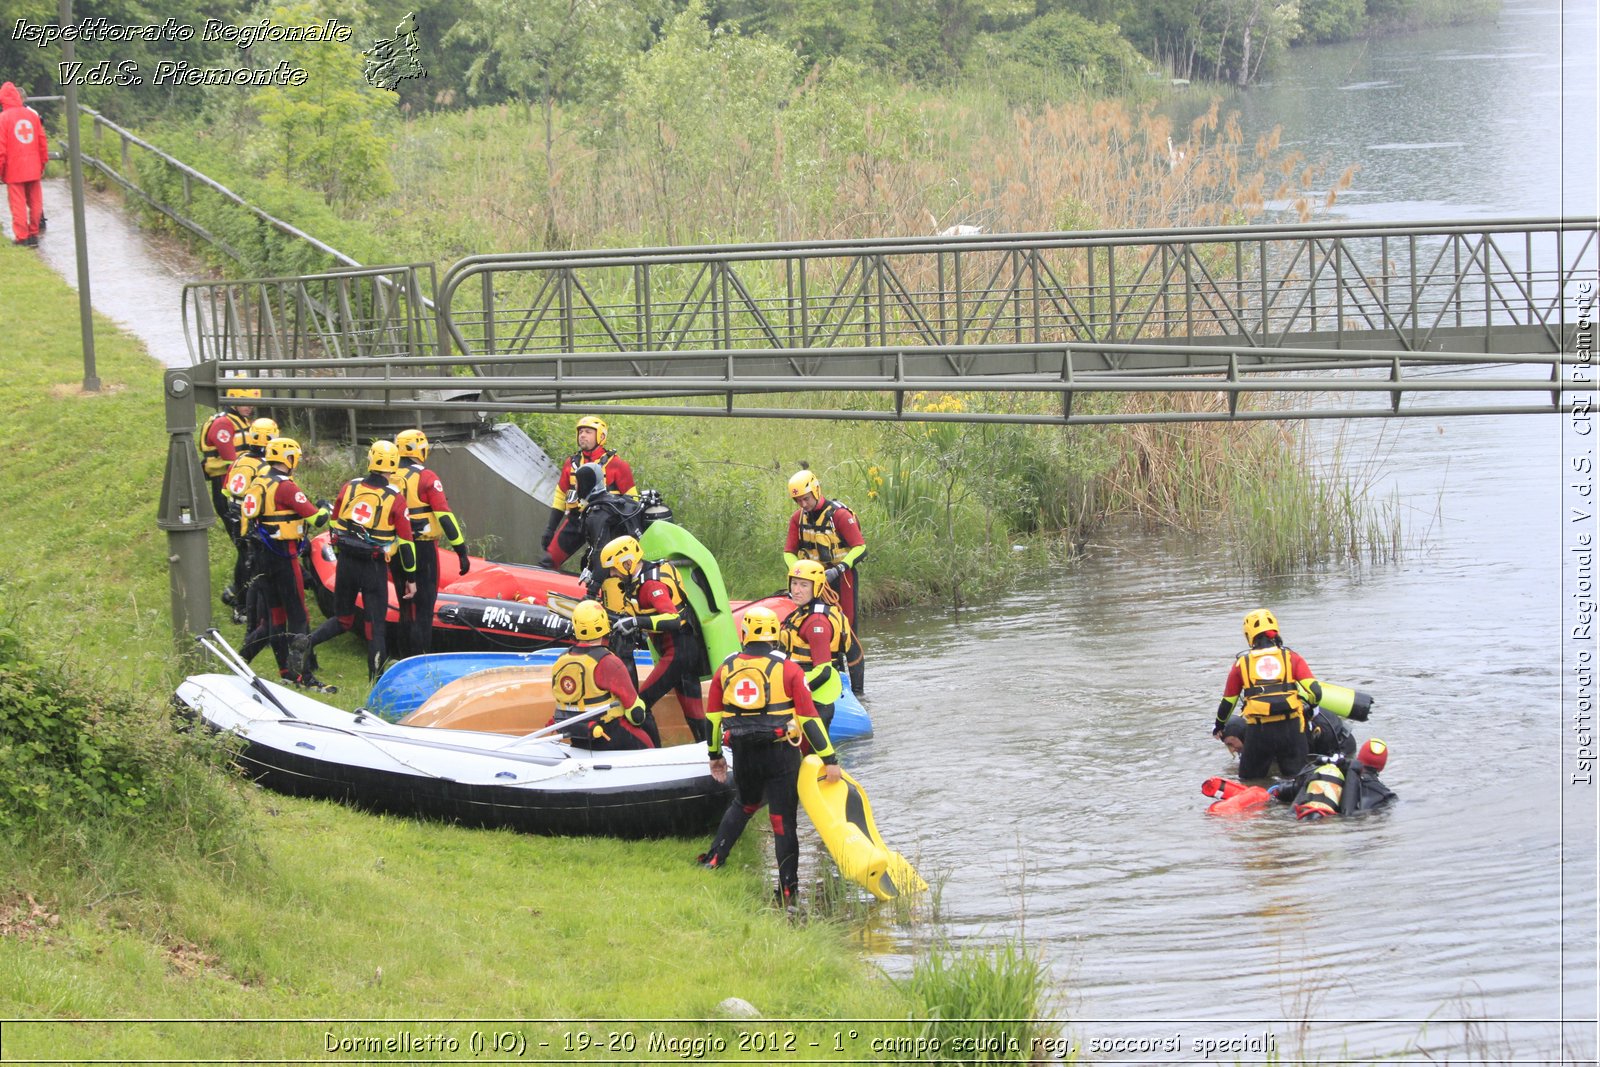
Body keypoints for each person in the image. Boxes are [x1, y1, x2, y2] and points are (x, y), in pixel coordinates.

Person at [697, 606, 842, 907]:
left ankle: (714, 859)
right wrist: (830, 760)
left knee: (744, 803)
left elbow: (712, 718)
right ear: (775, 634)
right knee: (782, 822)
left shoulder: (725, 668)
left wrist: (715, 756)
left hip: (744, 752)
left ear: (745, 633)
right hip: (781, 755)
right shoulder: (789, 669)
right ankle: (788, 889)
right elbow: (810, 719)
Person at [290, 441, 416, 682]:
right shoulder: (395, 498)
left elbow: (335, 523)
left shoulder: (350, 487)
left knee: (343, 619)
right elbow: (407, 542)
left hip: (346, 562)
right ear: (394, 465)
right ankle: (375, 682)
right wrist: (410, 577)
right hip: (373, 566)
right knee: (376, 627)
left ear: (370, 460)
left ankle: (306, 642)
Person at [237, 437, 334, 691]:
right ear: (288, 459)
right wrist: (325, 507)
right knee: (299, 616)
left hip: (260, 557)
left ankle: (246, 661)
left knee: (273, 619)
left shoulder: (259, 481)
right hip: (283, 556)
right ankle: (303, 675)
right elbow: (317, 519)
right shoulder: (286, 487)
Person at [596, 534, 707, 744]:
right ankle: (710, 753)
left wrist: (637, 623)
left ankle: (654, 752)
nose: (613, 574)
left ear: (627, 563)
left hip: (677, 653)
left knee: (640, 705)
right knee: (694, 713)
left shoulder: (649, 585)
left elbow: (673, 618)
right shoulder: (646, 574)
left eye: (614, 569)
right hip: (686, 650)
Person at [783, 468, 867, 692]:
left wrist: (839, 568)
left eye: (806, 499)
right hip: (813, 581)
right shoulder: (797, 519)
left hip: (841, 579)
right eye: (798, 500)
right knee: (818, 628)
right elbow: (788, 552)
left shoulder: (839, 516)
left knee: (846, 630)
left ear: (816, 491)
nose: (803, 504)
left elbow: (860, 548)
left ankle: (857, 691)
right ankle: (830, 678)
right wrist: (800, 573)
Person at [389, 429, 471, 658]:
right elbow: (444, 515)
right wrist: (461, 550)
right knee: (424, 608)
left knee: (406, 606)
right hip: (422, 548)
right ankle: (420, 657)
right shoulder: (427, 478)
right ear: (418, 449)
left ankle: (402, 655)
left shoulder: (389, 475)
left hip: (397, 547)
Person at [1212, 608, 1317, 781]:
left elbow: (1228, 703)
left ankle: (1264, 807)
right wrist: (1311, 707)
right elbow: (1315, 692)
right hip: (1291, 730)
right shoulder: (1291, 657)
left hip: (1259, 732)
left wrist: (1219, 726)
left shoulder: (1242, 664)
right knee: (1298, 781)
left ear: (1249, 635)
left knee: (1249, 782)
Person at [548, 601, 654, 750]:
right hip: (608, 732)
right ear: (604, 623)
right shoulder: (609, 662)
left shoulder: (561, 659)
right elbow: (635, 712)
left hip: (576, 734)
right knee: (648, 743)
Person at [539, 416, 637, 569]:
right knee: (548, 562)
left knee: (606, 567)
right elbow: (560, 496)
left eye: (588, 432)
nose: (582, 435)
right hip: (576, 520)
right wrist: (550, 529)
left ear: (601, 436)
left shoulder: (618, 465)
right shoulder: (570, 463)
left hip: (606, 523)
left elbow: (632, 503)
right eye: (580, 432)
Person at [200, 386, 259, 615]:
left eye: (252, 401)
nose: (249, 406)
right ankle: (240, 604)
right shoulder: (224, 424)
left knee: (248, 547)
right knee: (245, 549)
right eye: (245, 401)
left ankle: (239, 594)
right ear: (233, 400)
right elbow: (233, 460)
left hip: (241, 488)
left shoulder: (242, 420)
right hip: (227, 489)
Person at [779, 559, 858, 730]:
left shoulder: (817, 623)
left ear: (817, 587)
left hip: (817, 701)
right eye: (794, 583)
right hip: (807, 695)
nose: (796, 590)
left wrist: (791, 691)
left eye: (804, 585)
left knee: (816, 755)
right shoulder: (800, 614)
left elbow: (824, 671)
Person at [225, 417, 279, 628]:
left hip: (234, 514)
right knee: (253, 565)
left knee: (243, 560)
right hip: (250, 519)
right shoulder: (266, 468)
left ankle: (237, 599)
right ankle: (247, 609)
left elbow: (225, 489)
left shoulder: (240, 460)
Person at [1269, 739, 1398, 819]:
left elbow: (1286, 791)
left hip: (1305, 818)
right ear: (1382, 767)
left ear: (1359, 758)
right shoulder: (1384, 794)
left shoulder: (1331, 774)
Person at [1218, 706, 1356, 764]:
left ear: (1241, 734)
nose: (1232, 749)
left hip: (1341, 745)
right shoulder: (1257, 729)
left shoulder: (1267, 734)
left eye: (1231, 743)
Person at [0, 83, 48, 246]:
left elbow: (1, 149)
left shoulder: (3, 119)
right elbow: (42, 141)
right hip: (34, 166)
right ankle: (34, 233)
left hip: (14, 169)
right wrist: (42, 163)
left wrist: (0, 170)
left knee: (17, 203)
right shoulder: (32, 116)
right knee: (36, 201)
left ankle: (22, 237)